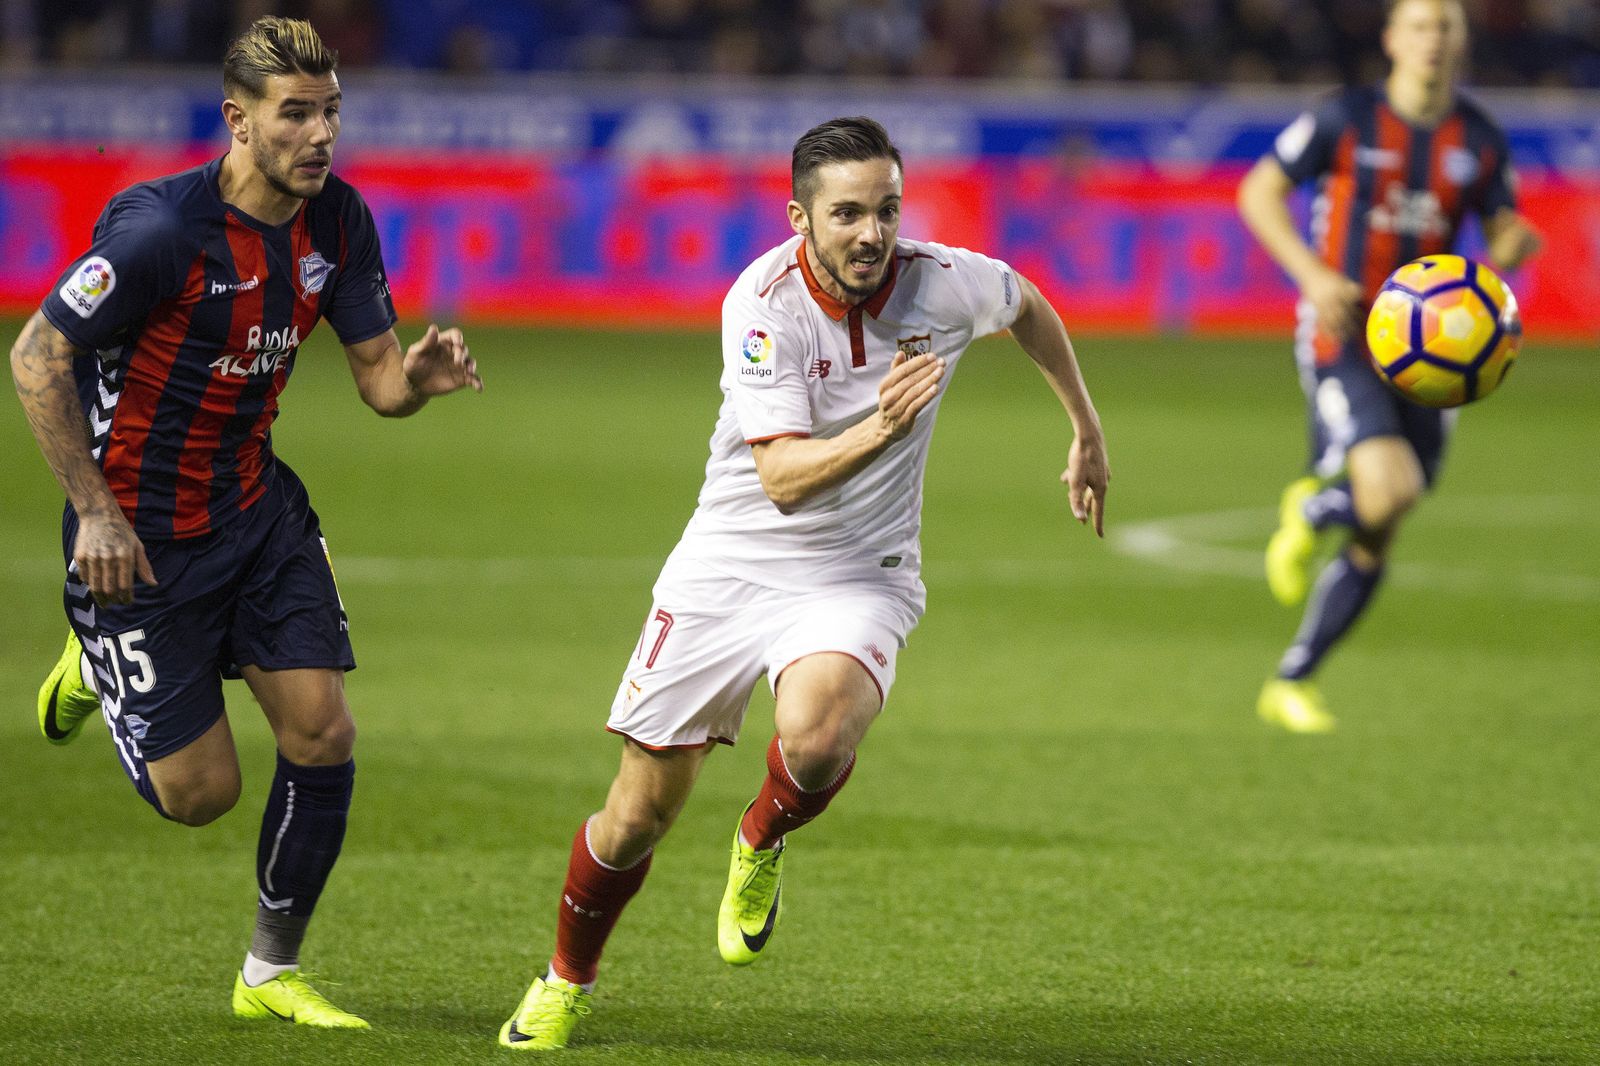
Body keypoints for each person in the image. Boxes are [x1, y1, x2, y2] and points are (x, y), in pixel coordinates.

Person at [497, 115, 1109, 1051]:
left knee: (817, 737)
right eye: (850, 214)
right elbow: (780, 481)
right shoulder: (761, 305)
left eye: (888, 211)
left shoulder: (943, 282)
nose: (873, 234)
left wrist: (1084, 425)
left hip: (859, 571)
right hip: (732, 561)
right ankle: (565, 979)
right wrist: (882, 429)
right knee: (636, 817)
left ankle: (760, 836)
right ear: (801, 219)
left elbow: (1027, 304)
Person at [11, 16, 481, 1027]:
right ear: (237, 119)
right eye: (296, 114)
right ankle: (94, 661)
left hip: (258, 512)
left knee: (322, 732)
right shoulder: (158, 235)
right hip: (135, 539)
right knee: (200, 794)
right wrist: (92, 511)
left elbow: (379, 384)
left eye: (332, 114)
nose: (321, 135)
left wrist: (421, 382)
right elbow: (34, 357)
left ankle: (269, 973)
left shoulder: (338, 223)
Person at [1237, 0, 1541, 734]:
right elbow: (1258, 191)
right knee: (1391, 485)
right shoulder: (1344, 117)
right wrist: (1312, 277)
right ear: (1393, 39)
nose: (1435, 39)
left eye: (1448, 27)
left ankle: (1292, 679)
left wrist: (1510, 246)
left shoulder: (1479, 137)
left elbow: (1502, 229)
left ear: (1462, 43)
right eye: (1422, 26)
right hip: (1346, 333)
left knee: (1385, 518)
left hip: (1434, 348)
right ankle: (1313, 509)